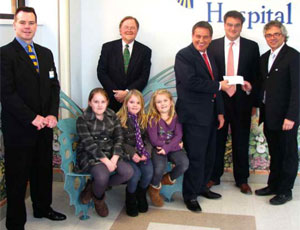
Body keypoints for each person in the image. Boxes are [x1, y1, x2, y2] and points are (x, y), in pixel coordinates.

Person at [0, 7, 66, 230]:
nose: (27, 27)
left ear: (36, 25)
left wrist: (51, 114)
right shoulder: (4, 54)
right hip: (19, 127)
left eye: (31, 22)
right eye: (23, 23)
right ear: (15, 25)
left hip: (44, 126)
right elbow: (6, 94)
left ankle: (43, 208)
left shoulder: (45, 53)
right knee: (17, 177)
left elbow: (54, 87)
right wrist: (32, 117)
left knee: (42, 170)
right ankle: (15, 222)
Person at [174, 21, 230, 212]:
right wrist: (219, 86)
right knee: (196, 157)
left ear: (211, 38)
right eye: (198, 36)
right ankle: (190, 196)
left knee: (209, 156)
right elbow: (191, 82)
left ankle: (202, 187)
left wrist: (221, 112)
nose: (201, 40)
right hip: (194, 117)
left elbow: (215, 85)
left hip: (211, 115)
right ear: (192, 35)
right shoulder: (184, 55)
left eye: (205, 37)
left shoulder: (210, 56)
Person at [207, 10, 260, 194]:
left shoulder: (252, 47)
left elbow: (256, 76)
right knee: (217, 141)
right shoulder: (212, 46)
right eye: (230, 24)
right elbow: (208, 75)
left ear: (241, 26)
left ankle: (242, 179)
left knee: (241, 140)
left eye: (237, 25)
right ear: (224, 25)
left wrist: (250, 90)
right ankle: (214, 176)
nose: (233, 28)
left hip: (241, 101)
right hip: (219, 102)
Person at [254, 21, 299, 205]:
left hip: (286, 118)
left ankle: (285, 191)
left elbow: (298, 90)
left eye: (276, 34)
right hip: (269, 117)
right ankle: (273, 185)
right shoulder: (265, 57)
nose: (272, 38)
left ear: (283, 35)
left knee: (288, 155)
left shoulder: (294, 56)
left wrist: (291, 117)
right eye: (269, 35)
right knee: (275, 153)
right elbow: (265, 86)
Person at [75, 88, 133, 217]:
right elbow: (89, 144)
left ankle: (92, 187)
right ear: (90, 102)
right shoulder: (83, 119)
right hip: (90, 154)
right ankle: (99, 199)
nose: (99, 105)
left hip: (111, 152)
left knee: (128, 172)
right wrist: (106, 161)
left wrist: (114, 158)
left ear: (107, 102)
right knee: (102, 176)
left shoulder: (112, 115)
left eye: (103, 101)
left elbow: (119, 138)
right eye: (96, 101)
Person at [97, 16, 152, 112]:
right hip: (110, 98)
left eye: (132, 27)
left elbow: (144, 77)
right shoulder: (107, 47)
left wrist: (127, 93)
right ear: (120, 30)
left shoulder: (145, 51)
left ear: (137, 31)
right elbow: (101, 72)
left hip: (133, 101)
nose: (129, 30)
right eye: (126, 27)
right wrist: (116, 93)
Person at [147, 89, 189, 207]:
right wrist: (168, 146)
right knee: (159, 167)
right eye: (159, 102)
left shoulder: (176, 117)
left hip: (172, 148)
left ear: (171, 102)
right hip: (158, 149)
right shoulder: (152, 119)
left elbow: (179, 135)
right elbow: (154, 140)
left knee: (184, 163)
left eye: (165, 100)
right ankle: (154, 187)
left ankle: (165, 179)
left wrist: (168, 147)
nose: (163, 104)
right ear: (155, 105)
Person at [117, 89, 153, 217]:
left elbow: (148, 139)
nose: (135, 105)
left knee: (148, 173)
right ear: (126, 103)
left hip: (142, 152)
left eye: (138, 103)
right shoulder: (120, 119)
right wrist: (132, 154)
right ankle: (130, 198)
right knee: (135, 174)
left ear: (142, 105)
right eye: (132, 102)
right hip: (126, 154)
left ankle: (141, 194)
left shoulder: (144, 119)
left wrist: (146, 153)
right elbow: (119, 141)